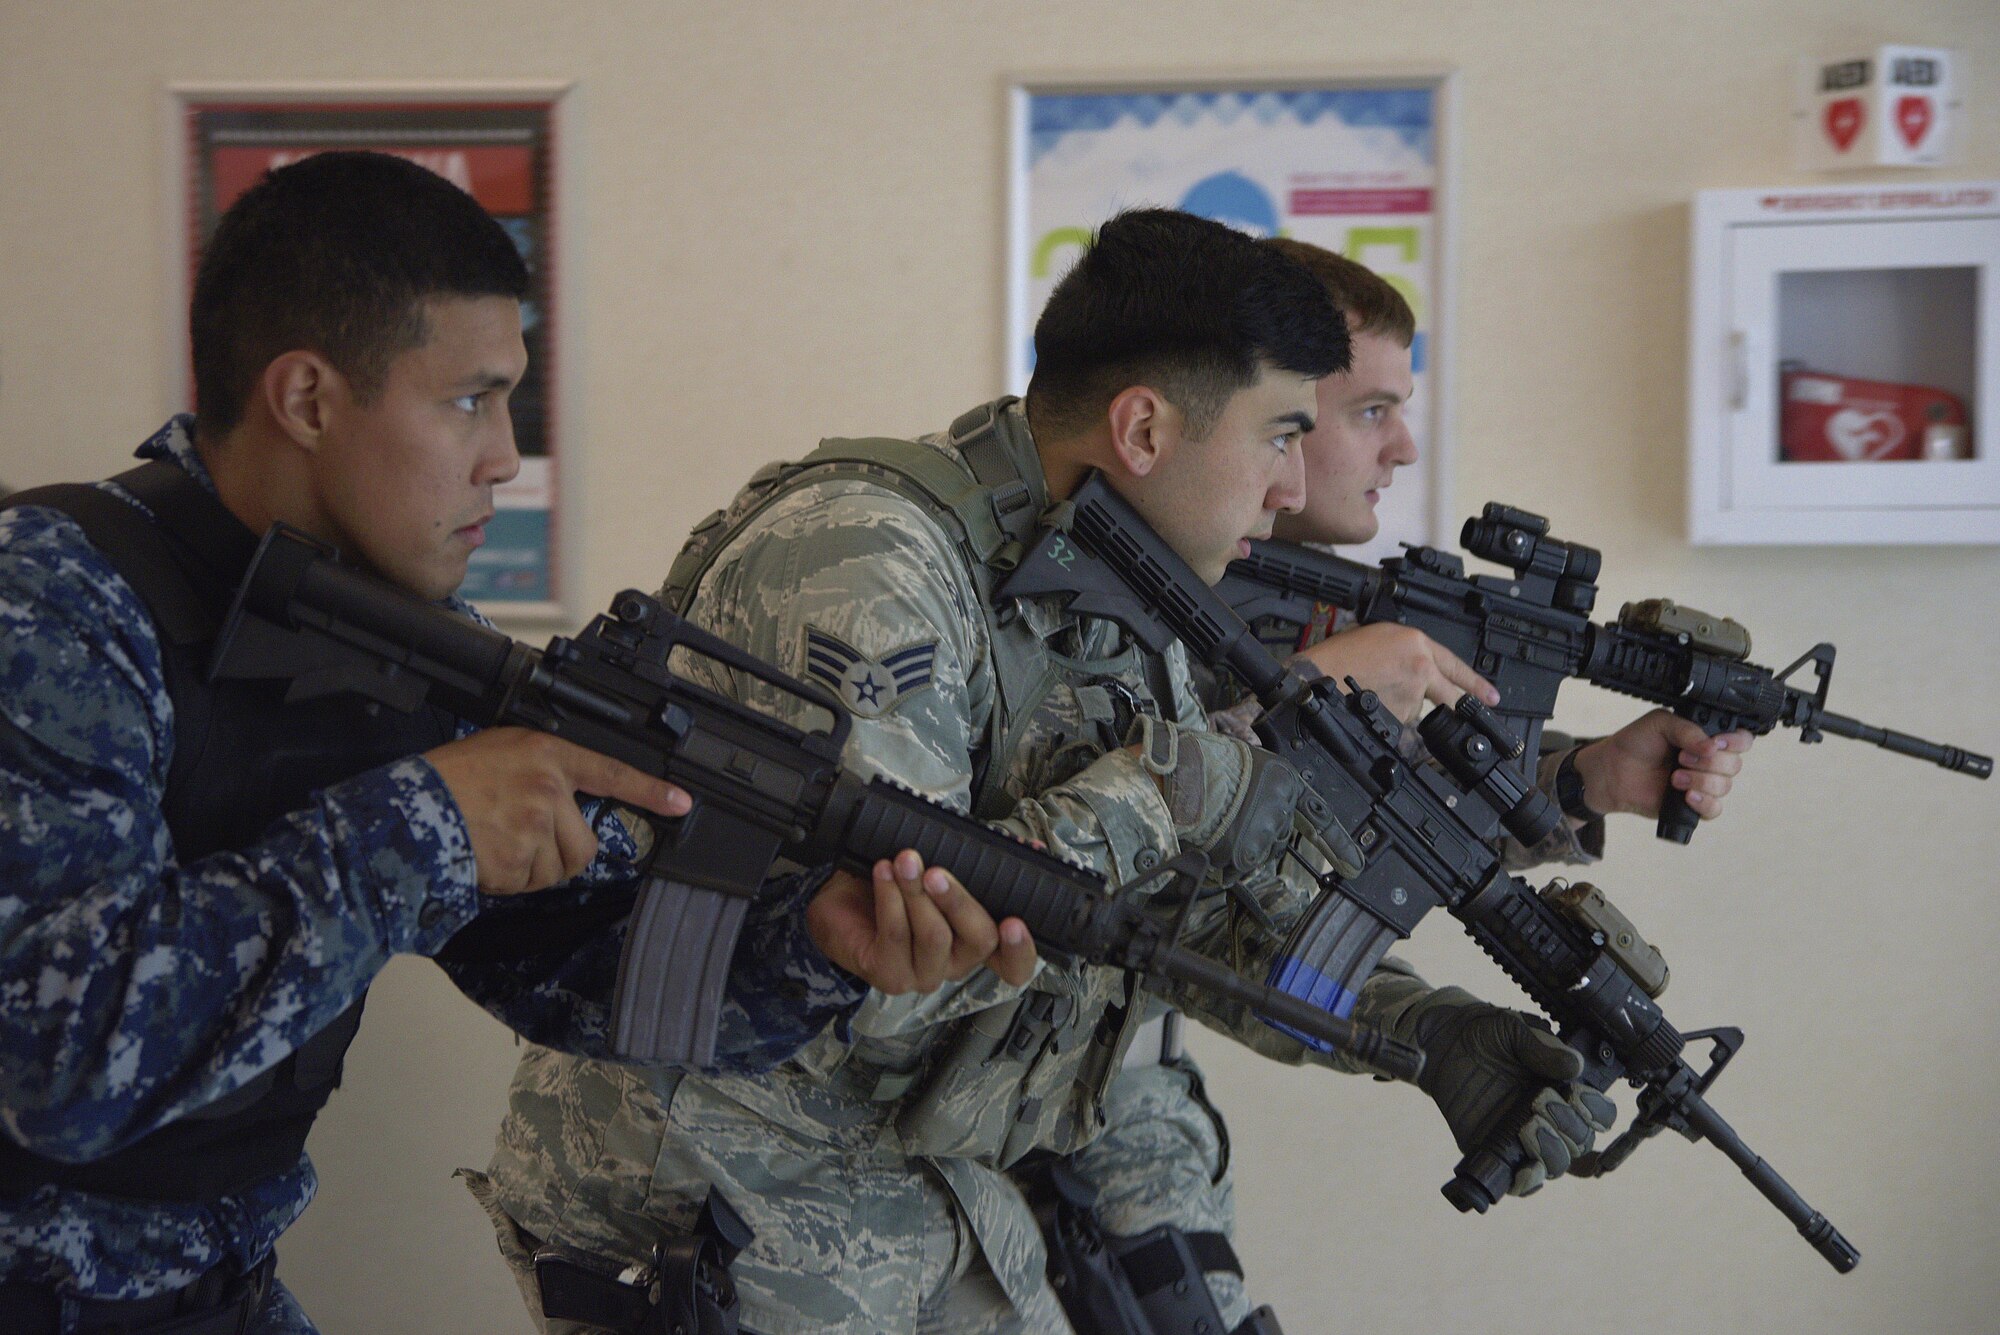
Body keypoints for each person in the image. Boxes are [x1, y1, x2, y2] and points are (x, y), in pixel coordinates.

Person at [472, 209, 1621, 1335]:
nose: (1288, 486)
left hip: (915, 1171)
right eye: (1279, 434)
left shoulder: (1129, 586)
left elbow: (1177, 924)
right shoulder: (868, 555)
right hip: (720, 1181)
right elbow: (882, 956)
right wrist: (1190, 778)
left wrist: (1421, 1034)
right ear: (1141, 430)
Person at [0, 150, 1022, 1335]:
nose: (503, 457)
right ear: (308, 398)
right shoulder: (54, 607)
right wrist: (427, 825)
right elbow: (52, 1061)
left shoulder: (408, 642)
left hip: (214, 1290)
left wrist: (815, 949)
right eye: (467, 400)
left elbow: (584, 973)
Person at [1053, 238, 1756, 1332]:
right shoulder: (1100, 591)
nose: (1401, 447)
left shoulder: (1284, 605)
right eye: (1365, 412)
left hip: (1103, 1082)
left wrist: (1580, 781)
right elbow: (1136, 880)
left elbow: (1324, 846)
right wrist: (1302, 697)